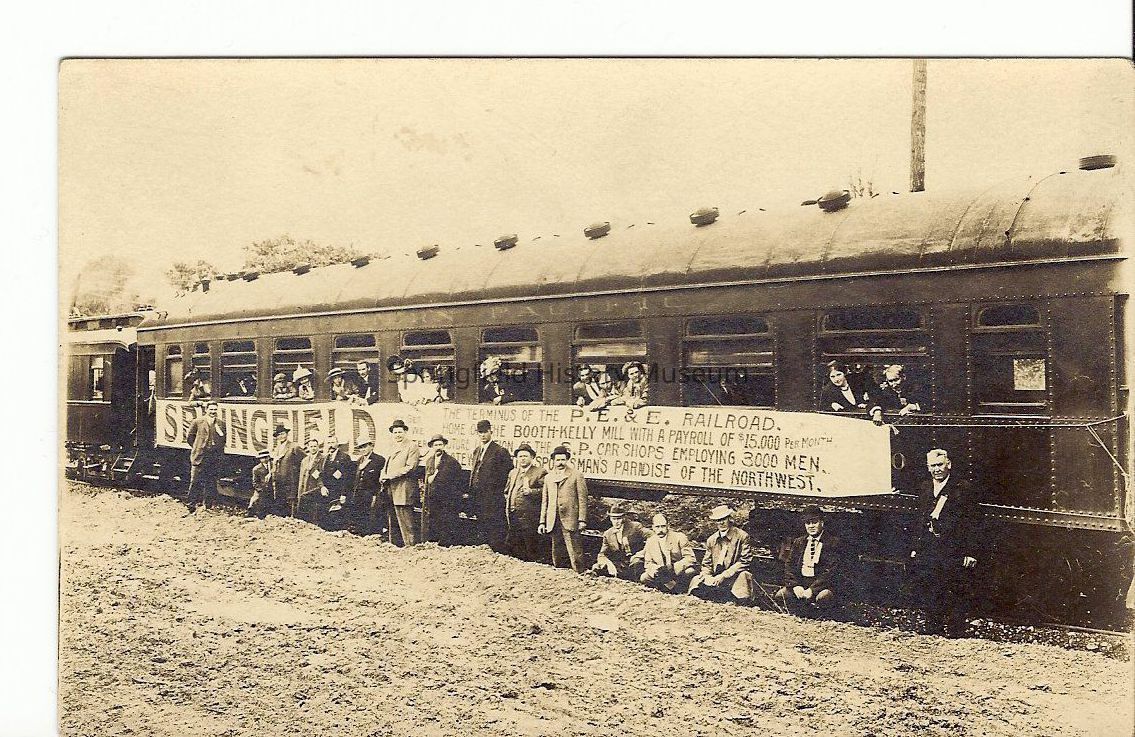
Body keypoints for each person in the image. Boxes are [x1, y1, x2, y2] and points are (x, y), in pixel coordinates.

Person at [907, 449, 980, 638]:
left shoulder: (963, 488)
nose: (937, 469)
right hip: (929, 546)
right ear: (928, 467)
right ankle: (934, 629)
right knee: (931, 586)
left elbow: (973, 523)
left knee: (955, 587)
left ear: (949, 464)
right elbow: (919, 520)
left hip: (954, 547)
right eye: (933, 466)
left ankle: (956, 632)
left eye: (940, 464)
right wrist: (915, 547)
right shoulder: (925, 487)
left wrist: (971, 552)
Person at [777, 505, 841, 616]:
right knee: (781, 595)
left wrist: (812, 590)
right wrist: (795, 586)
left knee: (824, 597)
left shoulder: (832, 543)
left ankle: (820, 617)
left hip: (821, 585)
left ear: (822, 523)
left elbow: (831, 571)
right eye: (808, 523)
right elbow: (789, 565)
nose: (811, 526)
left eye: (814, 522)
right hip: (801, 583)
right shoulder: (799, 542)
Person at [689, 505, 756, 604]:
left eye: (724, 519)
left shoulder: (742, 536)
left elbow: (745, 561)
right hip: (715, 577)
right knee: (697, 580)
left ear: (729, 519)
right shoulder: (712, 540)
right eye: (718, 520)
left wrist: (724, 575)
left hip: (733, 576)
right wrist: (707, 575)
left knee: (744, 576)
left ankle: (738, 601)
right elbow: (707, 563)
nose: (721, 523)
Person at [538, 445, 589, 573]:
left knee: (574, 550)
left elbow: (582, 499)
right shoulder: (549, 477)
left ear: (567, 460)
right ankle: (559, 574)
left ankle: (579, 573)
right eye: (557, 460)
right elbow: (545, 501)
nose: (560, 463)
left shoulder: (576, 475)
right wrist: (542, 522)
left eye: (563, 460)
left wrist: (582, 520)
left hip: (570, 518)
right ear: (553, 461)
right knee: (557, 550)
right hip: (553, 519)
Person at [467, 419, 514, 552]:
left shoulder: (500, 451)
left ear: (491, 432)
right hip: (478, 497)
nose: (483, 435)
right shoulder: (477, 451)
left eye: (485, 432)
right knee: (482, 526)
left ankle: (497, 552)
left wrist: (497, 493)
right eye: (480, 432)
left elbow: (507, 474)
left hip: (493, 498)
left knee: (495, 528)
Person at [381, 418, 422, 546]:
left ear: (405, 432)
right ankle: (395, 545)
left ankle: (410, 545)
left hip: (403, 488)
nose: (397, 435)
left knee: (406, 520)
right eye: (395, 432)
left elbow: (410, 467)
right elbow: (386, 465)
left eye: (400, 432)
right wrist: (382, 475)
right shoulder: (392, 446)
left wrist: (390, 476)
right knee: (392, 519)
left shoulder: (412, 446)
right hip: (391, 488)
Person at [504, 443, 548, 562]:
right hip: (513, 515)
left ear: (532, 457)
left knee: (530, 546)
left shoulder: (540, 472)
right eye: (520, 456)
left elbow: (546, 491)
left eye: (525, 456)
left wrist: (531, 492)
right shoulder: (513, 472)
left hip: (529, 517)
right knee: (514, 545)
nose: (522, 459)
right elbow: (507, 490)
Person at [421, 434, 464, 546]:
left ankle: (447, 545)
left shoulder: (451, 462)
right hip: (433, 498)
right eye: (436, 445)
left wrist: (453, 499)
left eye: (440, 444)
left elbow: (458, 482)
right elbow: (427, 481)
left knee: (447, 524)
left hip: (447, 500)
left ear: (444, 446)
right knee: (434, 522)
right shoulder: (429, 461)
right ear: (432, 447)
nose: (438, 447)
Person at [184, 400, 226, 514]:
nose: (213, 411)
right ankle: (191, 506)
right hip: (200, 456)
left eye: (215, 409)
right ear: (206, 410)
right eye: (211, 409)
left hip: (213, 457)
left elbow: (223, 440)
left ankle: (207, 506)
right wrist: (198, 448)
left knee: (211, 482)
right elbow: (190, 438)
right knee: (195, 482)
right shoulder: (198, 422)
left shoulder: (221, 423)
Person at [641, 514, 698, 593]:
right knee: (644, 577)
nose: (660, 530)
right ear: (653, 527)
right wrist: (656, 570)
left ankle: (676, 588)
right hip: (662, 573)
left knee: (689, 572)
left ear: (668, 526)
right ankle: (670, 587)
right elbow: (648, 563)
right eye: (657, 527)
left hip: (678, 571)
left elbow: (690, 558)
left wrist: (674, 568)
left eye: (663, 526)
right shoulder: (650, 541)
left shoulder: (679, 537)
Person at [589, 504, 647, 580]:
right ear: (610, 519)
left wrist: (641, 553)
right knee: (597, 567)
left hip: (636, 562)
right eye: (614, 519)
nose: (616, 522)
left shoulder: (635, 527)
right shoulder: (608, 534)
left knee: (637, 564)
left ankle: (638, 582)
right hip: (620, 565)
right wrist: (608, 563)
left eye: (618, 519)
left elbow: (652, 536)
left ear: (623, 518)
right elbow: (602, 554)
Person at [348, 436, 385, 535]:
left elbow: (380, 479)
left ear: (371, 446)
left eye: (365, 446)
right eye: (360, 447)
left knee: (372, 518)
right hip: (359, 493)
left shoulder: (379, 460)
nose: (363, 449)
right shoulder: (359, 460)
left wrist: (376, 494)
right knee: (360, 517)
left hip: (372, 494)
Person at [320, 435, 357, 530]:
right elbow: (321, 475)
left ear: (337, 444)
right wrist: (322, 487)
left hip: (339, 492)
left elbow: (348, 478)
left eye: (332, 442)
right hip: (327, 491)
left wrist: (344, 494)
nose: (330, 445)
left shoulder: (344, 457)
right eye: (328, 443)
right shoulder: (325, 458)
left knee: (336, 517)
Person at [269, 424, 305, 517]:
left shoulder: (294, 447)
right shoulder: (277, 449)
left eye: (282, 434)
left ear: (287, 434)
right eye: (278, 435)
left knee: (291, 504)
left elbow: (305, 460)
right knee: (281, 504)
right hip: (279, 481)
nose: (281, 436)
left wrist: (295, 471)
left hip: (291, 481)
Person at [296, 436, 327, 525]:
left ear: (318, 447)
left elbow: (322, 474)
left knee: (314, 511)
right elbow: (301, 477)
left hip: (315, 487)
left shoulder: (323, 458)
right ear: (308, 447)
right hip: (304, 487)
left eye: (315, 446)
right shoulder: (304, 460)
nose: (313, 448)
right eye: (311, 446)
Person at [246, 449, 273, 519]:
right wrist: (260, 490)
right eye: (262, 458)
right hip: (262, 489)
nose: (265, 459)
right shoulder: (256, 469)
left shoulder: (273, 466)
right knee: (256, 500)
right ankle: (251, 512)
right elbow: (255, 482)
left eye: (266, 457)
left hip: (272, 488)